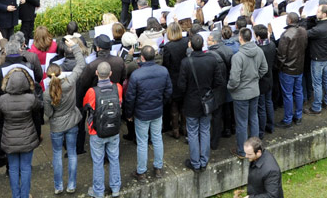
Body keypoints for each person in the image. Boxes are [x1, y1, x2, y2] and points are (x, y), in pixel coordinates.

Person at [177, 33, 224, 172]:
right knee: (204, 130)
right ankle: (203, 160)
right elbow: (219, 82)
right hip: (206, 101)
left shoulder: (186, 62)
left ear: (190, 45)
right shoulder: (211, 59)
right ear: (203, 44)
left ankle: (195, 162)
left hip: (191, 102)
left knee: (192, 132)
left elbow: (181, 85)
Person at [43, 40, 85, 196]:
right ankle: (72, 185)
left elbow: (48, 113)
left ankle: (58, 186)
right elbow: (81, 65)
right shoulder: (69, 83)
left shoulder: (47, 94)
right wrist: (75, 46)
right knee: (72, 153)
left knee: (56, 155)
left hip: (57, 126)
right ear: (60, 72)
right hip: (72, 122)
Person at [124, 45, 172, 180]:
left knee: (142, 142)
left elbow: (130, 97)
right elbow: (168, 91)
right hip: (157, 111)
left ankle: (142, 171)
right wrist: (161, 103)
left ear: (142, 58)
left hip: (141, 113)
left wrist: (128, 114)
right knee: (157, 139)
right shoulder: (163, 71)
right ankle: (158, 168)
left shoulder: (136, 75)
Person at [0, 67, 41, 198]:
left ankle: (16, 195)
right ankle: (25, 195)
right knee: (25, 168)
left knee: (13, 169)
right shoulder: (30, 98)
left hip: (9, 138)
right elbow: (38, 109)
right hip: (27, 138)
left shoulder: (2, 99)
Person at [83, 62, 123, 198]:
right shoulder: (118, 87)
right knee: (114, 158)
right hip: (114, 129)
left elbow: (85, 106)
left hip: (96, 132)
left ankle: (98, 191)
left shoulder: (91, 92)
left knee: (98, 161)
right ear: (110, 74)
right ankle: (116, 187)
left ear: (96, 73)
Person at [228, 27, 268, 158]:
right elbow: (264, 68)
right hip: (254, 91)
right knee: (253, 119)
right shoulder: (259, 51)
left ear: (240, 38)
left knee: (242, 123)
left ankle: (242, 150)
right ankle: (256, 148)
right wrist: (255, 78)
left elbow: (234, 79)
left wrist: (230, 87)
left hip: (241, 94)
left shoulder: (237, 57)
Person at [276, 12, 308, 127]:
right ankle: (298, 116)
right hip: (299, 67)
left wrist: (279, 67)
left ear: (289, 20)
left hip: (288, 70)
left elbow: (281, 55)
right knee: (298, 92)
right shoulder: (303, 31)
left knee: (288, 95)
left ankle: (288, 119)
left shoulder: (286, 35)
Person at [306, 4, 327, 114]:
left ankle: (316, 107)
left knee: (317, 83)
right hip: (326, 56)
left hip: (317, 58)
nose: (316, 13)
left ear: (324, 14)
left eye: (318, 12)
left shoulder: (318, 29)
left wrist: (304, 20)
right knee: (326, 79)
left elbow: (306, 33)